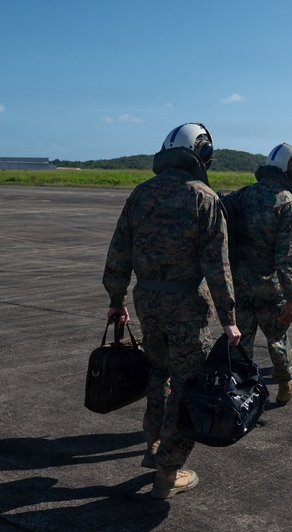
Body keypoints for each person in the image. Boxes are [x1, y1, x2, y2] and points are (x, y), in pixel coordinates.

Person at [103, 122, 240, 499]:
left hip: (147, 302)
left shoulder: (141, 194)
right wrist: (229, 319)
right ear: (203, 154)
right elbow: (218, 266)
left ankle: (152, 443)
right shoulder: (204, 198)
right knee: (188, 384)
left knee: (159, 371)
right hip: (186, 308)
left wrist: (117, 301)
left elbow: (118, 253)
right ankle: (168, 471)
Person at [229, 143, 292, 406]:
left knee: (240, 341)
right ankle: (286, 384)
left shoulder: (243, 194)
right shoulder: (288, 205)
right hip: (268, 286)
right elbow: (288, 258)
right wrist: (291, 298)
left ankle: (239, 393)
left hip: (238, 282)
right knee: (277, 336)